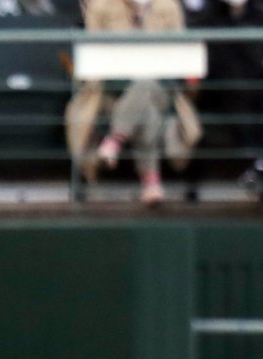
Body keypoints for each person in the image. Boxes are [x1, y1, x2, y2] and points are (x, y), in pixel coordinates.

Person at [67, 0, 201, 205]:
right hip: (114, 92)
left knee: (145, 85)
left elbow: (180, 56)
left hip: (161, 90)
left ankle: (115, 140)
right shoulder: (101, 7)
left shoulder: (168, 6)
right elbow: (94, 59)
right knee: (146, 109)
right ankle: (151, 181)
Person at [189, 0, 263, 209]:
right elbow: (210, 58)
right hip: (228, 89)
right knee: (239, 111)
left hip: (261, 83)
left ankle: (262, 168)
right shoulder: (211, 18)